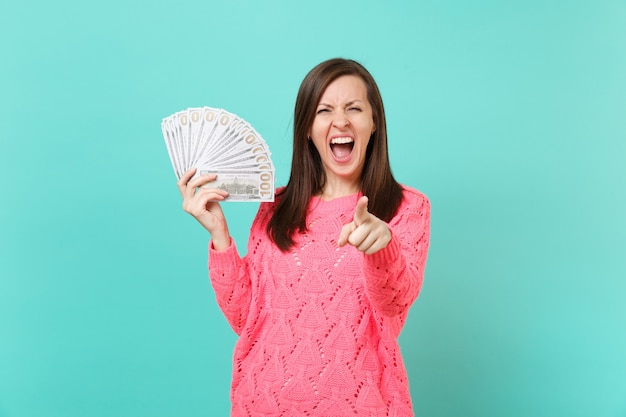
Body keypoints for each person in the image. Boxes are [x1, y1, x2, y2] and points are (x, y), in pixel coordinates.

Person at [177, 58, 430, 416]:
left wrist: (382, 247)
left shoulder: (407, 207)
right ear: (308, 129)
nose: (340, 121)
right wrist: (220, 235)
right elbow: (247, 319)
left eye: (354, 108)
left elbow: (394, 303)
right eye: (323, 110)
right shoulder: (276, 207)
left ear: (374, 123)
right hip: (262, 404)